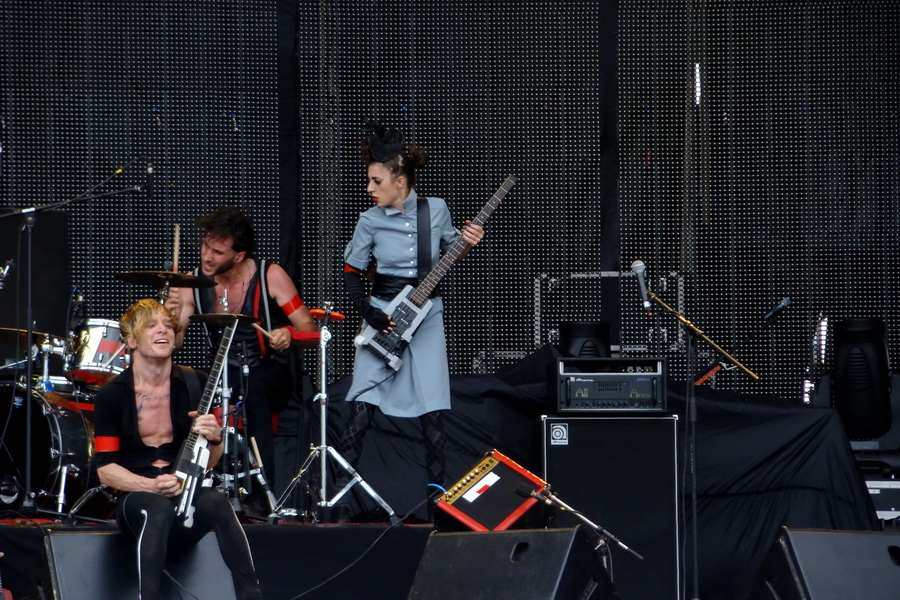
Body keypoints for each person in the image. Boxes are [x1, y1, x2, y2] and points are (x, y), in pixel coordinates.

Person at [340, 122, 484, 513]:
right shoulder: (370, 219)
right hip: (382, 311)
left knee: (434, 408)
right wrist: (369, 312)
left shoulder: (434, 210)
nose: (369, 189)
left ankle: (438, 501)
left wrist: (467, 243)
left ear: (399, 181)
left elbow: (452, 253)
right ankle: (337, 497)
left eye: (376, 181)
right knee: (362, 402)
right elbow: (352, 270)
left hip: (427, 316)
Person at [94, 299, 262, 600]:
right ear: (131, 340)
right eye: (151, 326)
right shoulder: (110, 395)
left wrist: (215, 439)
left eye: (167, 325)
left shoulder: (194, 383)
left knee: (217, 502)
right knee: (156, 507)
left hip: (185, 492)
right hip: (138, 500)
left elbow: (207, 462)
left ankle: (252, 595)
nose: (163, 330)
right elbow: (105, 470)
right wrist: (151, 486)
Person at [168, 206, 318, 493]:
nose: (207, 256)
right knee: (182, 388)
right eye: (205, 246)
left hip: (268, 372)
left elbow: (311, 331)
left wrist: (288, 332)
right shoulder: (190, 284)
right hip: (218, 375)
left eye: (218, 252)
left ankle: (263, 491)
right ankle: (185, 486)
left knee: (253, 387)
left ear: (239, 256)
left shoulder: (270, 275)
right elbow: (174, 344)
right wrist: (169, 317)